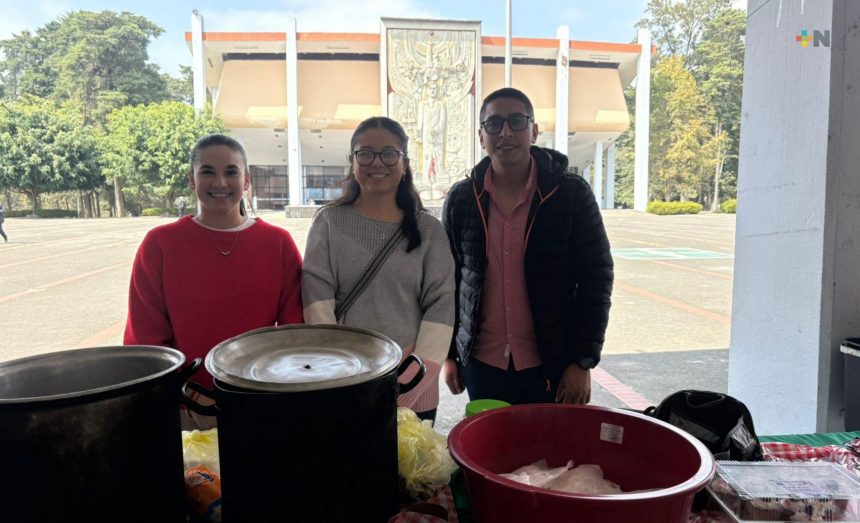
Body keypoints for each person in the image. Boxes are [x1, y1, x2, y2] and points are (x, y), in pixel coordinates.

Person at [442, 87, 614, 406]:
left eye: (517, 121)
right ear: (481, 136)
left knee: (549, 441)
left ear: (534, 131)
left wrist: (582, 361)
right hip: (482, 364)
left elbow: (596, 279)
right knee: (490, 440)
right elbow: (450, 281)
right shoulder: (462, 199)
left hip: (551, 364)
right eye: (494, 124)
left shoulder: (570, 194)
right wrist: (450, 353)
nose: (506, 132)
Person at [124, 133, 303, 429]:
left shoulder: (277, 243)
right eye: (207, 172)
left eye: (231, 172)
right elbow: (145, 336)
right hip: (185, 407)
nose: (220, 183)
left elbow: (293, 332)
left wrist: (267, 392)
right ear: (191, 180)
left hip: (261, 402)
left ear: (246, 180)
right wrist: (187, 393)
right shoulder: (161, 244)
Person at [302, 116, 455, 425]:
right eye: (365, 153)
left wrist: (408, 384)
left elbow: (441, 306)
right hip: (345, 381)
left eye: (389, 153)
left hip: (415, 385)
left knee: (411, 458)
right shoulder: (329, 222)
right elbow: (316, 299)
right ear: (352, 161)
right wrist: (341, 372)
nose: (377, 162)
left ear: (405, 163)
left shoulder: (429, 230)